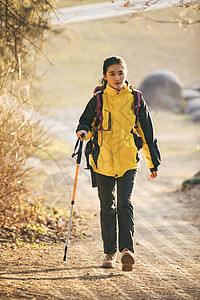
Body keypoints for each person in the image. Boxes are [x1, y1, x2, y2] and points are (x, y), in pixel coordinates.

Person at [76, 56, 161, 272]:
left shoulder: (136, 99)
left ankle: (126, 251)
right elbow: (86, 122)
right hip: (102, 161)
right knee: (107, 208)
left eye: (120, 72)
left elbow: (147, 133)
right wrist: (83, 132)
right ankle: (109, 253)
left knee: (124, 203)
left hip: (128, 161)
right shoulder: (98, 99)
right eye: (112, 73)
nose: (117, 77)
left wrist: (153, 164)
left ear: (126, 73)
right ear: (105, 76)